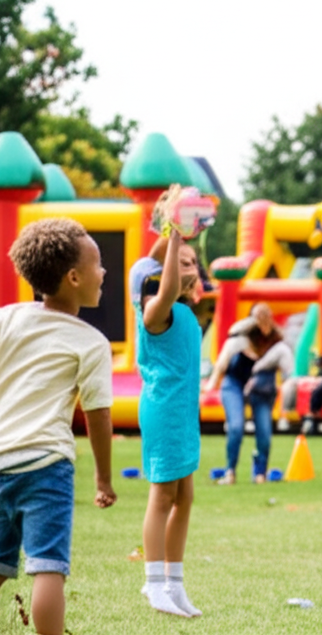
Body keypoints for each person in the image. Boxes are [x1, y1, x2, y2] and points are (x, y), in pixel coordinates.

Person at [0, 218, 116, 635]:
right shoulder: (91, 341)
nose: (104, 272)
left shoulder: (2, 319)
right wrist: (104, 479)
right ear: (74, 277)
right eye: (98, 265)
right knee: (48, 568)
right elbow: (98, 414)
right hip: (45, 464)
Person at [131, 193, 209, 618]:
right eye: (182, 263)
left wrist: (171, 226)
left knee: (185, 497)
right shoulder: (153, 312)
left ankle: (174, 583)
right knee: (162, 496)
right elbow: (162, 277)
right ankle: (153, 583)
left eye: (193, 263)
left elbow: (162, 264)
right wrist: (175, 236)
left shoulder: (182, 313)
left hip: (182, 416)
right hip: (163, 413)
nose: (189, 268)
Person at [205, 303, 292, 484]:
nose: (263, 322)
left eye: (266, 316)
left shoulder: (277, 342)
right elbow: (223, 361)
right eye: (258, 317)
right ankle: (230, 471)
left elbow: (288, 370)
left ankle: (260, 472)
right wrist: (213, 382)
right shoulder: (241, 338)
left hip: (260, 389)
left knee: (264, 433)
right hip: (234, 383)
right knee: (236, 427)